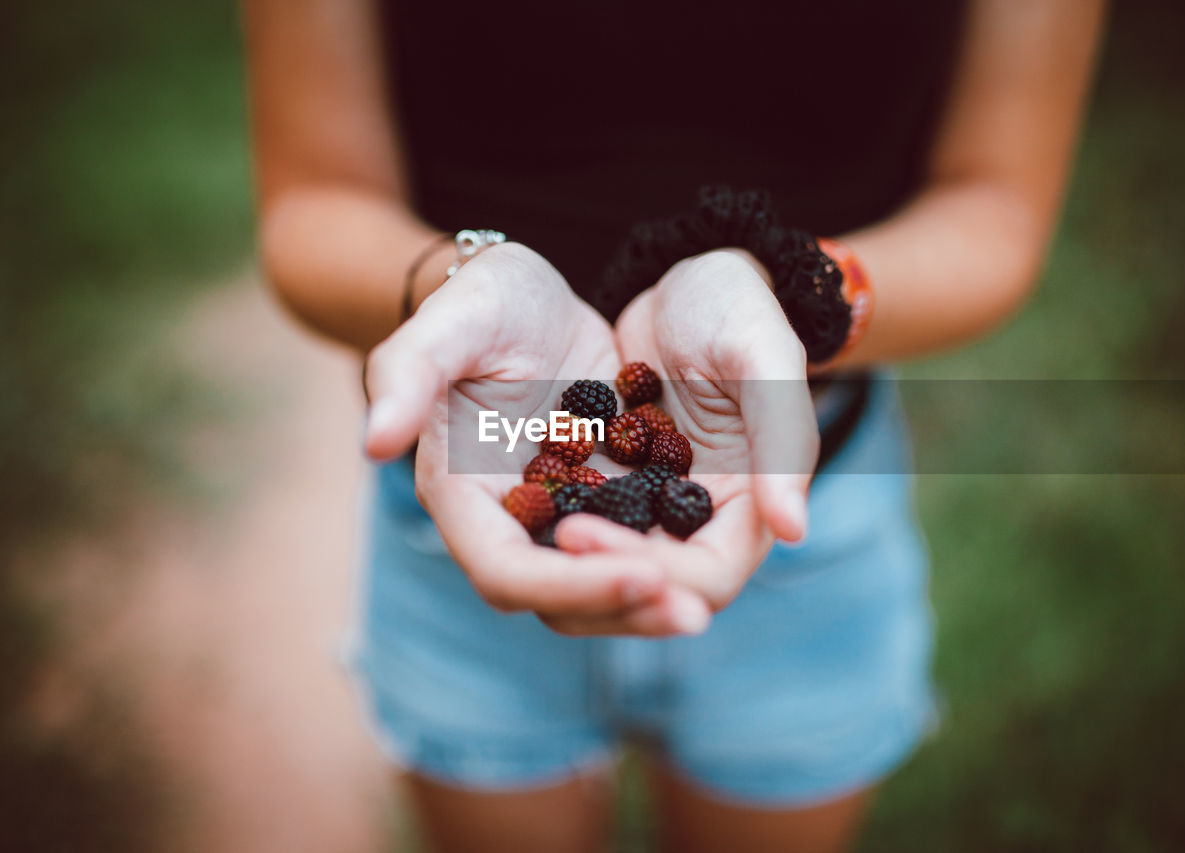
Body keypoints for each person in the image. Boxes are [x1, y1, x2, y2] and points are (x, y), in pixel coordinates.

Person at [243, 1, 1104, 850]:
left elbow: (995, 214)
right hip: (464, 485)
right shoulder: (591, 451)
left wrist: (783, 288)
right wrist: (456, 279)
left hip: (805, 499)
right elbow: (312, 207)